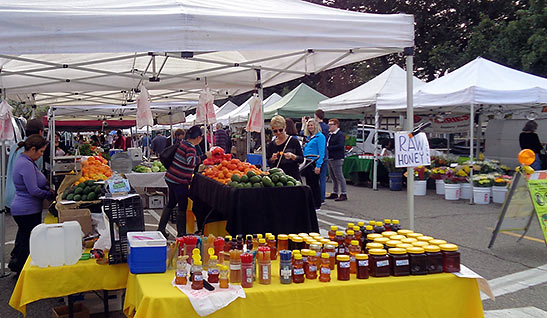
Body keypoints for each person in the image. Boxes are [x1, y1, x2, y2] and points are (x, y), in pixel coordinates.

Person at [8, 135, 55, 273]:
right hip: (26, 210)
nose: (41, 155)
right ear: (33, 149)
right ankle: (23, 273)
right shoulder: (25, 164)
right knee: (28, 243)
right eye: (40, 151)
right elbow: (33, 190)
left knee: (25, 240)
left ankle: (20, 268)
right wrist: (49, 194)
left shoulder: (26, 161)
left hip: (27, 209)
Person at [158, 126, 207, 238]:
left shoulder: (183, 143)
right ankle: (181, 234)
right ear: (198, 137)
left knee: (171, 203)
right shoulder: (190, 147)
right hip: (179, 180)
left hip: (171, 177)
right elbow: (191, 162)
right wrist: (204, 156)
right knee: (182, 207)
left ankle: (161, 228)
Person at [4, 119, 45, 212]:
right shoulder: (34, 150)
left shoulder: (16, 146)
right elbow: (35, 179)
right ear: (40, 132)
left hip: (10, 196)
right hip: (25, 201)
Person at [266, 116, 304, 180]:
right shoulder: (271, 145)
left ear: (284, 127)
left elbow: (301, 159)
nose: (278, 133)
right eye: (275, 131)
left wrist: (293, 156)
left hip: (292, 177)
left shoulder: (293, 141)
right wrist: (272, 159)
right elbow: (269, 162)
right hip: (277, 178)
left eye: (280, 130)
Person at [302, 119, 326, 209]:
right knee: (309, 183)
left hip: (314, 161)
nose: (310, 127)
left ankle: (317, 203)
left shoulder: (320, 137)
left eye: (312, 125)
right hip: (307, 161)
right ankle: (311, 202)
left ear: (316, 126)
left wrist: (318, 165)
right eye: (308, 125)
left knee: (315, 184)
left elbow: (321, 152)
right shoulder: (309, 137)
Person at [326, 119, 348, 201]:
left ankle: (343, 193)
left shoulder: (339, 135)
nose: (329, 126)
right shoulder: (330, 134)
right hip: (330, 157)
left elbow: (340, 146)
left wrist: (328, 148)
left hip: (337, 157)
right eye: (329, 124)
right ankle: (335, 192)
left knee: (339, 176)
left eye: (331, 124)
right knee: (332, 176)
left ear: (336, 125)